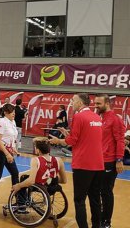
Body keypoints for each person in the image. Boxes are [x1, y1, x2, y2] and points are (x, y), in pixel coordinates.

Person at [50, 93, 104, 228]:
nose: (71, 102)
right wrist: (69, 135)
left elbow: (73, 141)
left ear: (80, 103)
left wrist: (59, 140)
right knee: (95, 199)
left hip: (83, 164)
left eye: (73, 100)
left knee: (79, 200)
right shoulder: (97, 117)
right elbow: (84, 138)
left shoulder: (79, 116)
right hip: (98, 164)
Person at [95, 94, 125, 228]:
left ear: (107, 103)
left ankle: (106, 222)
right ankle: (101, 218)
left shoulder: (114, 119)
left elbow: (120, 140)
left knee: (106, 192)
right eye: (95, 103)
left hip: (110, 161)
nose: (96, 106)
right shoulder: (100, 118)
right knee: (99, 191)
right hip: (99, 160)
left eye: (98, 104)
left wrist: (119, 160)